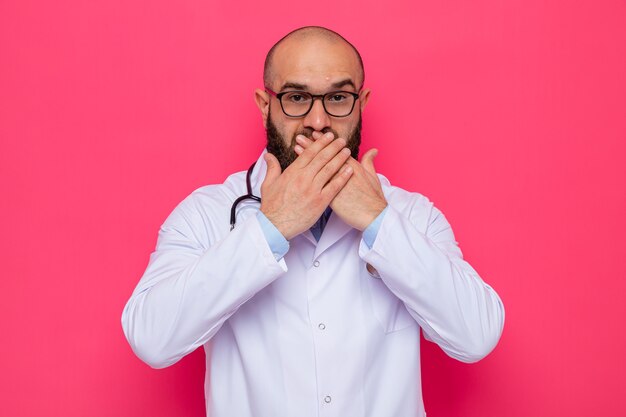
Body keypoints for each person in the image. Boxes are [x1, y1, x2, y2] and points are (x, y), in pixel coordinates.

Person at [121, 26, 505, 417]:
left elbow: (476, 336)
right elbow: (153, 340)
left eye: (338, 97)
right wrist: (271, 226)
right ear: (264, 103)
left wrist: (378, 221)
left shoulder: (412, 215)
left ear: (361, 103)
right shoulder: (205, 214)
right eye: (296, 98)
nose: (318, 121)